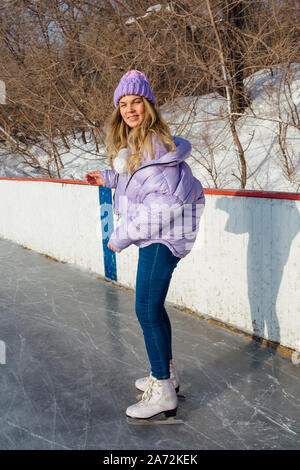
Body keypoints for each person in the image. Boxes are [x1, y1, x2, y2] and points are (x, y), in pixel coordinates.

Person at [85, 70, 205, 421]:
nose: (129, 109)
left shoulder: (155, 143)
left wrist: (120, 236)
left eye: (135, 102)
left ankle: (163, 391)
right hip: (159, 235)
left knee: (146, 310)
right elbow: (139, 181)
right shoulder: (140, 142)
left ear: (148, 104)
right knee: (154, 308)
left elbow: (162, 205)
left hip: (163, 237)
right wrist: (107, 178)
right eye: (123, 104)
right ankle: (165, 373)